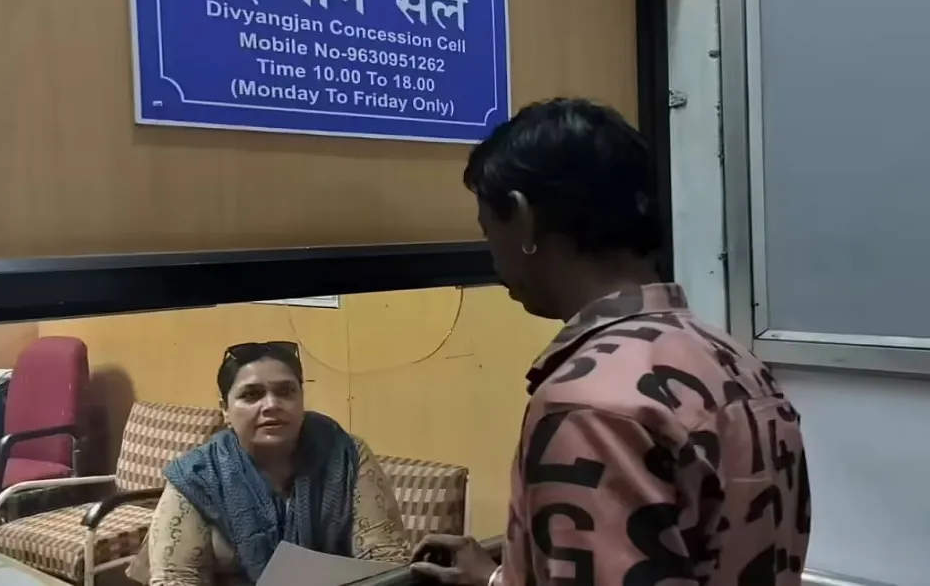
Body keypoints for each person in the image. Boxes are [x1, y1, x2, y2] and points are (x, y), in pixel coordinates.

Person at [410, 99, 810, 586]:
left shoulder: (587, 404)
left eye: (488, 231)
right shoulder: (733, 360)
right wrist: (502, 578)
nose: (492, 257)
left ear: (522, 217)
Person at [138, 341, 409, 585]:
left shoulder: (345, 455)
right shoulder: (197, 476)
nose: (271, 405)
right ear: (225, 409)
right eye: (251, 395)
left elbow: (384, 560)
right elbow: (175, 578)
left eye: (286, 391)